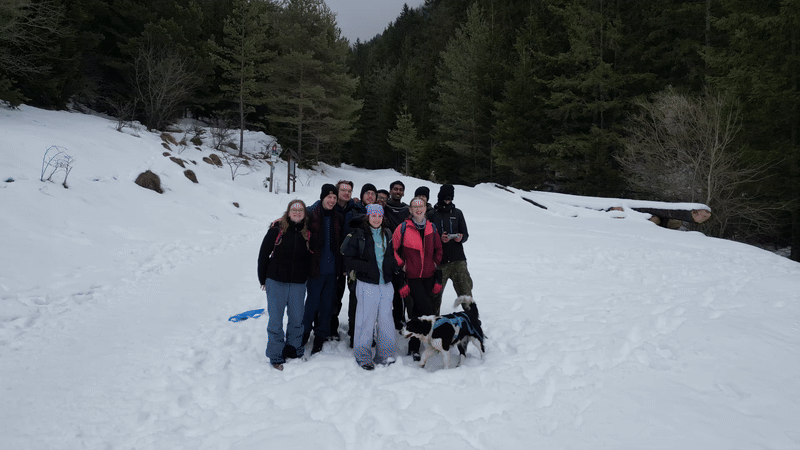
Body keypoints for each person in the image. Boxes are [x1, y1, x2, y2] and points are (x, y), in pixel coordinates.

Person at [341, 204, 398, 370]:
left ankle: (385, 354)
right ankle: (363, 355)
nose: (376, 218)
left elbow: (389, 256)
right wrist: (368, 267)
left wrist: (393, 268)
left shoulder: (387, 233)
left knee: (386, 320)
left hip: (386, 283)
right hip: (367, 283)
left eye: (379, 216)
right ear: (368, 216)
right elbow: (349, 260)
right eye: (373, 215)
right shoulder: (359, 234)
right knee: (365, 320)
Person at [257, 200, 312, 371]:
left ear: (304, 213)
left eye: (300, 210)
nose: (297, 212)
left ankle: (294, 349)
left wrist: (306, 277)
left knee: (297, 319)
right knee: (275, 321)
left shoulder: (308, 233)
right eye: (294, 210)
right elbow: (264, 255)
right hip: (276, 281)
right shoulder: (276, 230)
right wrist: (263, 279)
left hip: (298, 283)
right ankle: (275, 354)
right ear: (288, 212)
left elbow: (311, 258)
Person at [393, 196, 443, 360]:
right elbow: (392, 250)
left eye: (421, 206)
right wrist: (402, 265)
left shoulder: (432, 228)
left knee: (417, 311)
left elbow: (439, 249)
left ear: (425, 209)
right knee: (427, 311)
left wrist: (434, 265)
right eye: (415, 207)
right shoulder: (403, 228)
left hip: (428, 276)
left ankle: (413, 347)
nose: (418, 209)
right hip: (412, 277)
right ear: (410, 210)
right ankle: (439, 339)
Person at [303, 184, 344, 354]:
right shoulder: (311, 213)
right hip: (315, 268)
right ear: (322, 197)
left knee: (327, 305)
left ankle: (320, 336)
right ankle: (304, 334)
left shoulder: (337, 216)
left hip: (332, 269)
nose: (332, 200)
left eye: (335, 198)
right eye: (329, 197)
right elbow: (294, 221)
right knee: (311, 304)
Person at [428, 184, 474, 315]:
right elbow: (426, 237)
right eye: (445, 199)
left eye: (450, 199)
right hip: (439, 262)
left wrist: (461, 237)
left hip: (458, 260)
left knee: (465, 291)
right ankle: (432, 322)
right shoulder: (432, 214)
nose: (447, 201)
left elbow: (465, 234)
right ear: (439, 196)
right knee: (435, 295)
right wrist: (439, 239)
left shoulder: (457, 213)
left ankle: (473, 319)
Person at [343, 183, 378, 347]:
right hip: (356, 267)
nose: (370, 196)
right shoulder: (353, 212)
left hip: (373, 270)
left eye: (373, 193)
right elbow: (346, 238)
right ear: (362, 195)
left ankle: (369, 334)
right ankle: (354, 334)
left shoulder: (379, 213)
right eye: (367, 193)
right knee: (355, 302)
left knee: (370, 304)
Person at [383, 181, 410, 330]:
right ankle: (386, 317)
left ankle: (399, 318)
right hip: (386, 252)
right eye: (395, 189)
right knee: (388, 287)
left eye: (400, 190)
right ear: (391, 190)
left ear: (403, 192)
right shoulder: (384, 207)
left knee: (401, 287)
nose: (398, 192)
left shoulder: (407, 209)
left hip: (403, 253)